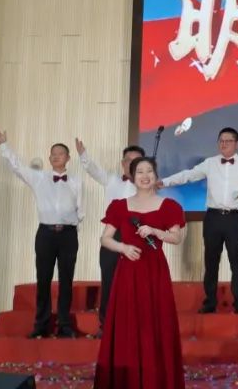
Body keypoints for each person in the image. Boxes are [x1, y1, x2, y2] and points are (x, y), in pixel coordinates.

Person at [94, 156, 186, 389]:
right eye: (140, 172)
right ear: (132, 177)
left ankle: (157, 379)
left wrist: (156, 231)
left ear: (156, 175)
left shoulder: (169, 206)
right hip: (128, 271)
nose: (145, 176)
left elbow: (177, 237)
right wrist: (123, 248)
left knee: (155, 323)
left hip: (155, 271)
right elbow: (105, 239)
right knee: (128, 324)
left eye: (149, 171)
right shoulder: (119, 206)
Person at [0, 126, 82, 338]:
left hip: (68, 235)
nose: (56, 156)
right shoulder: (39, 178)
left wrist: (71, 229)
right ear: (49, 158)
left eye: (60, 153)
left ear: (68, 158)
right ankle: (41, 325)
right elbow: (16, 166)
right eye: (53, 154)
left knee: (66, 280)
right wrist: (4, 145)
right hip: (45, 234)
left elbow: (81, 210)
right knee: (43, 279)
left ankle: (64, 325)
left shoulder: (77, 182)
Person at [161, 127, 238, 314]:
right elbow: (188, 175)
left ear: (237, 144)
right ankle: (210, 302)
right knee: (211, 261)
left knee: (237, 261)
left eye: (228, 141)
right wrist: (164, 182)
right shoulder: (210, 163)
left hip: (235, 218)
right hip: (212, 217)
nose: (224, 144)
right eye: (221, 140)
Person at [76, 139, 144, 335]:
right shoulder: (112, 180)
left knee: (135, 284)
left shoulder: (147, 185)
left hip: (137, 235)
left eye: (137, 160)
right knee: (109, 281)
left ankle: (134, 327)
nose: (132, 164)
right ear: (123, 163)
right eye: (129, 160)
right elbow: (93, 169)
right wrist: (83, 155)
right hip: (112, 235)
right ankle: (106, 326)